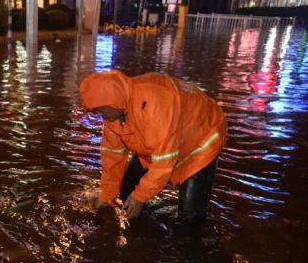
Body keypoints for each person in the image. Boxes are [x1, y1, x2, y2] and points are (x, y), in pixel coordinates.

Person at [79, 69, 226, 223]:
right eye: (95, 110)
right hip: (160, 145)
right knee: (126, 191)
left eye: (101, 109)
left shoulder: (156, 103)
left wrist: (140, 197)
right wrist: (107, 195)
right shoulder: (113, 114)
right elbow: (112, 157)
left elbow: (163, 163)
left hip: (201, 140)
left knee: (189, 218)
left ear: (114, 100)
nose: (98, 113)